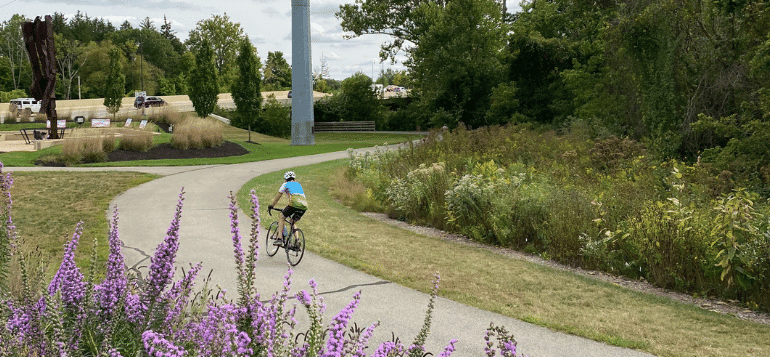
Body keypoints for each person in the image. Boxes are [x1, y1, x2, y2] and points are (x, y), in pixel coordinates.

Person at [268, 171, 308, 244]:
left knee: (282, 217)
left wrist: (272, 205)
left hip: (294, 204)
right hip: (304, 205)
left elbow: (278, 196)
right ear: (294, 179)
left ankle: (279, 238)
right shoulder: (298, 184)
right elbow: (291, 196)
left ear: (286, 179)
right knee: (292, 222)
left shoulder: (285, 184)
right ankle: (297, 240)